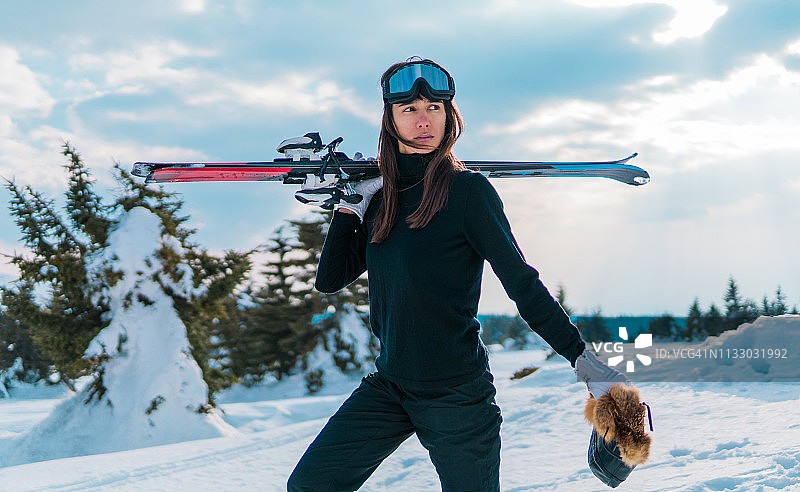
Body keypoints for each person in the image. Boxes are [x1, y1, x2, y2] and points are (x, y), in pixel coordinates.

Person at [287, 58, 628, 492]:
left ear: (450, 115)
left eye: (433, 107)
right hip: (391, 387)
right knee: (311, 485)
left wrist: (580, 357)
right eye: (408, 110)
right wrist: (349, 209)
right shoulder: (380, 197)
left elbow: (521, 283)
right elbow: (331, 279)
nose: (423, 119)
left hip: (458, 397)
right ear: (390, 119)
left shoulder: (469, 192)